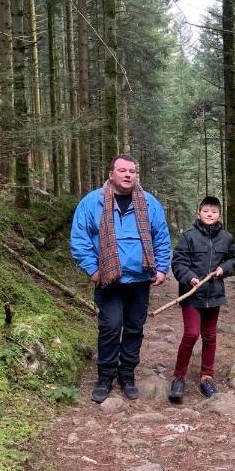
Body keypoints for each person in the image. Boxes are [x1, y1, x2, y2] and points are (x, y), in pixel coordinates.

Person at [70, 155, 170, 403]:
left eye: (132, 171)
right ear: (111, 173)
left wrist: (161, 269)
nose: (128, 175)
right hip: (109, 279)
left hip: (139, 279)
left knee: (135, 328)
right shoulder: (92, 202)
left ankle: (127, 375)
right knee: (110, 327)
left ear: (136, 175)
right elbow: (80, 238)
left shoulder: (149, 203)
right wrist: (93, 270)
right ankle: (105, 377)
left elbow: (161, 236)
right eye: (122, 170)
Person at [168, 196, 235, 401]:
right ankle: (179, 377)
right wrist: (189, 277)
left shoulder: (226, 238)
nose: (210, 214)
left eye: (214, 211)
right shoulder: (188, 237)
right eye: (206, 211)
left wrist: (223, 269)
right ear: (198, 213)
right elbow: (178, 262)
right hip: (192, 295)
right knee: (191, 334)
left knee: (209, 336)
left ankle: (207, 377)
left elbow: (233, 258)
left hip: (214, 295)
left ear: (219, 215)